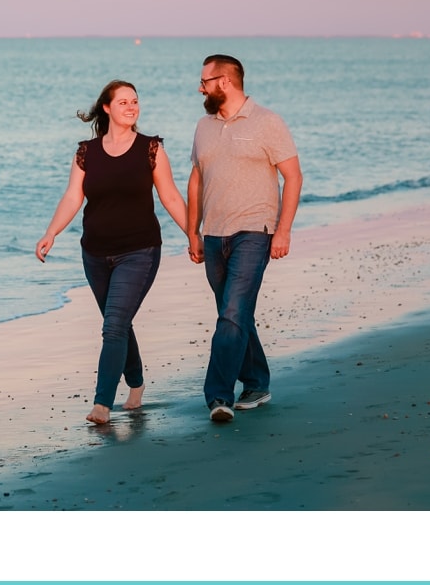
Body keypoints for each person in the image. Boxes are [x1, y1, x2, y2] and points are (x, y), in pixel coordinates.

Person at [35, 80, 188, 425]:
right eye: (123, 102)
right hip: (95, 253)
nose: (132, 107)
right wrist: (51, 232)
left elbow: (171, 197)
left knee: (114, 325)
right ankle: (136, 384)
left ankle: (102, 404)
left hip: (140, 251)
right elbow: (73, 196)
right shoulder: (86, 152)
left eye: (135, 101)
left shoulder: (151, 148)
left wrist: (195, 235)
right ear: (107, 108)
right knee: (117, 323)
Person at [187, 54, 303, 423]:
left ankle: (218, 396)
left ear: (224, 82)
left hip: (255, 232)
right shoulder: (203, 126)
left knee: (233, 312)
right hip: (213, 234)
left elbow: (294, 177)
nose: (200, 87)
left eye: (204, 81)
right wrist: (193, 230)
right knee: (234, 314)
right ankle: (256, 381)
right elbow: (196, 179)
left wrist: (283, 230)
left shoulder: (268, 122)